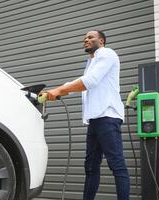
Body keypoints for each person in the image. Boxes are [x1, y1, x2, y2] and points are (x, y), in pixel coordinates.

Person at [43, 30, 130, 200]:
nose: (86, 40)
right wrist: (54, 92)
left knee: (117, 165)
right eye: (85, 38)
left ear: (102, 41)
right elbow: (82, 83)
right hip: (95, 121)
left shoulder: (106, 53)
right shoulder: (91, 62)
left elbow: (90, 81)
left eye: (91, 37)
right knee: (90, 167)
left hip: (108, 117)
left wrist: (59, 90)